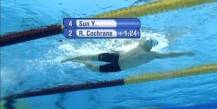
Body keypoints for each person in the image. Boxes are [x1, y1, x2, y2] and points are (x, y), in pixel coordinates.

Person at [61, 38, 194, 72]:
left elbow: (169, 55)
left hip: (119, 67)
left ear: (151, 45)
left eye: (150, 41)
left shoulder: (152, 55)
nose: (147, 40)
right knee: (92, 56)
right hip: (115, 56)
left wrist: (186, 52)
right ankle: (72, 58)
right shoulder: (139, 44)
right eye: (147, 39)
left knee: (95, 69)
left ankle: (81, 62)